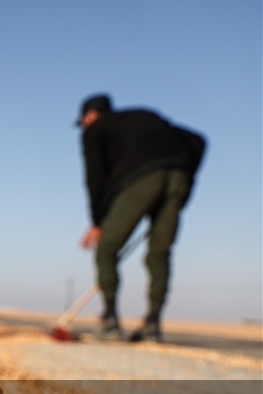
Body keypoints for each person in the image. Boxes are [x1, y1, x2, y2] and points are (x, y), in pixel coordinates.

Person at [76, 94, 206, 342]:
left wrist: (97, 221)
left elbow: (94, 177)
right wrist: (187, 182)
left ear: (90, 115)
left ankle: (110, 321)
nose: (83, 126)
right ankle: (153, 324)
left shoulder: (95, 130)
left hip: (140, 181)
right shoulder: (145, 115)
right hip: (177, 178)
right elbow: (197, 141)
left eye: (82, 121)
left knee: (106, 249)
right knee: (159, 253)